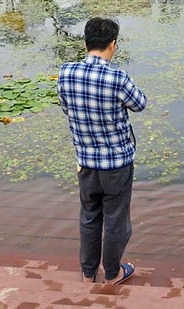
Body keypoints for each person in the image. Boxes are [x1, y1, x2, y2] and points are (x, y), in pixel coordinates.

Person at [57, 17, 147, 285]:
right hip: (117, 163)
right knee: (117, 220)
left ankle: (87, 274)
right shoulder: (117, 77)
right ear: (113, 44)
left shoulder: (66, 73)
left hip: (85, 161)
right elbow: (140, 103)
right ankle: (112, 273)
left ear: (86, 44)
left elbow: (66, 107)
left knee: (89, 217)